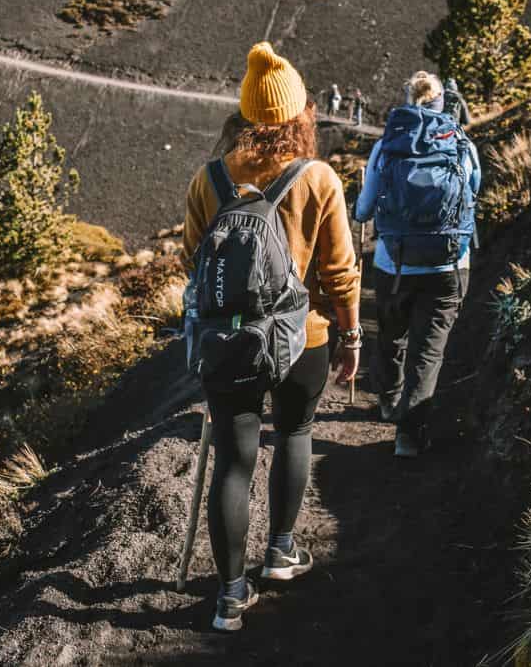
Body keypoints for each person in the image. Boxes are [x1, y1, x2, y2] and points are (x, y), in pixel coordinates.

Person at [183, 42, 361, 632]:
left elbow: (192, 263)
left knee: (233, 463)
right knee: (294, 433)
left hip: (228, 343)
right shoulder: (318, 178)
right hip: (300, 338)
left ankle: (230, 597)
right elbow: (339, 271)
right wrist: (351, 334)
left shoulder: (208, 180)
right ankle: (281, 551)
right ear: (298, 114)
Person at [355, 70, 480, 458]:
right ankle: (409, 436)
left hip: (394, 264)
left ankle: (389, 404)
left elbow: (362, 210)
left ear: (408, 101)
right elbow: (472, 196)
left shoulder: (388, 146)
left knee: (392, 337)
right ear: (445, 102)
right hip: (448, 265)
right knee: (428, 351)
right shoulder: (461, 144)